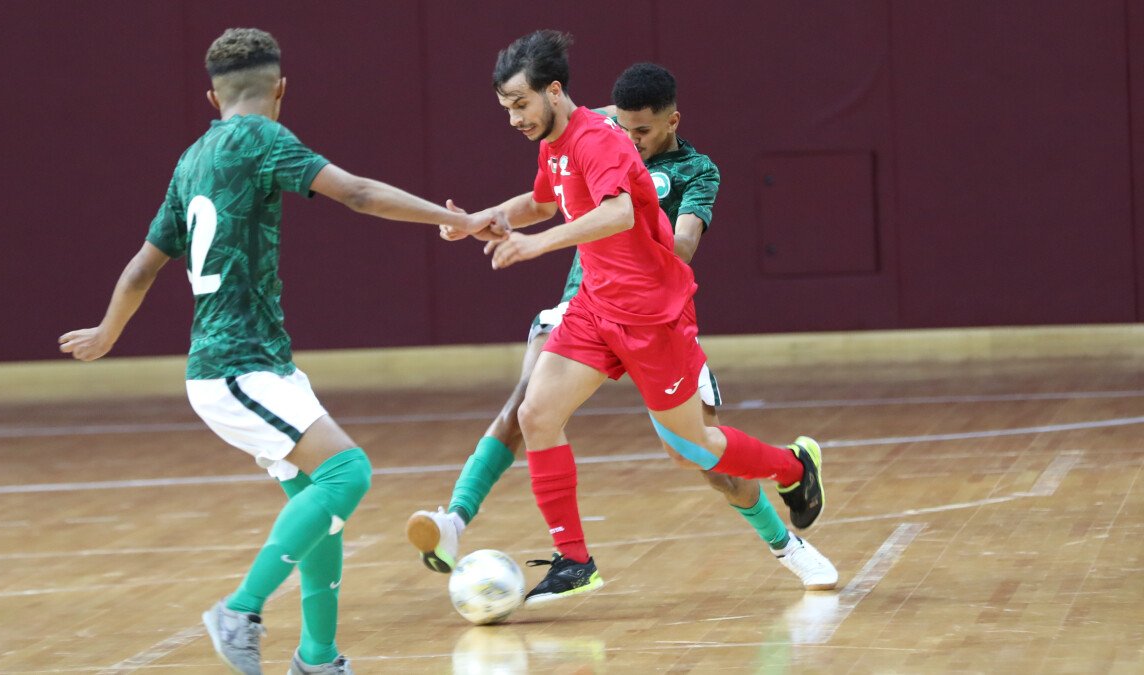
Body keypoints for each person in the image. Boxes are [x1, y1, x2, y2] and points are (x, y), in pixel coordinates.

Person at [59, 28, 506, 675]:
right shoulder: (265, 138)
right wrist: (459, 221)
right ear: (282, 91)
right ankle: (239, 609)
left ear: (211, 96)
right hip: (232, 367)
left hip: (260, 366)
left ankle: (318, 659)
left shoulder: (190, 161)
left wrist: (106, 332)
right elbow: (355, 192)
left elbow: (140, 268)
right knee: (348, 474)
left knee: (322, 510)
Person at [414, 30, 831, 607]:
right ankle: (575, 560)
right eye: (505, 108)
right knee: (536, 413)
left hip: (653, 315)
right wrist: (479, 219)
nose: (513, 118)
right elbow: (540, 203)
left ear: (553, 92)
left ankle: (791, 467)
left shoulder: (600, 140)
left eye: (520, 105)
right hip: (595, 307)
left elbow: (616, 213)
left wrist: (536, 247)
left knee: (692, 443)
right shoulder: (553, 144)